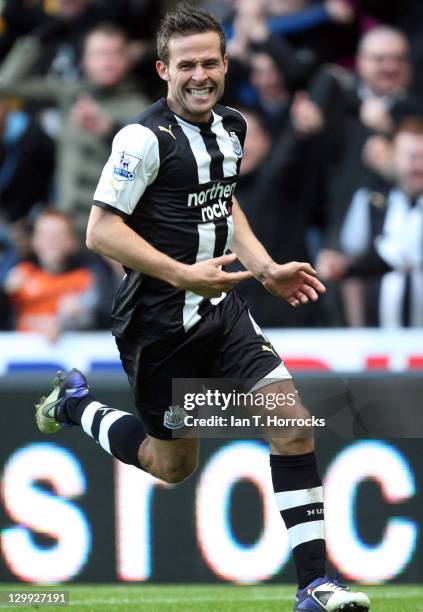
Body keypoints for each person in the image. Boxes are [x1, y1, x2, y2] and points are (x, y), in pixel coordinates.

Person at [35, 5, 370, 611]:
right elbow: (100, 231)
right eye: (185, 64)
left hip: (222, 311)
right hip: (158, 326)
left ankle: (314, 587)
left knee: (292, 427)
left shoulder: (232, 127)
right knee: (172, 466)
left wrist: (264, 268)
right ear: (163, 69)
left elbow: (223, 202)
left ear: (225, 63)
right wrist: (183, 272)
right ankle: (78, 405)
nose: (199, 75)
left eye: (210, 62)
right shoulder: (142, 138)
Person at [317, 117, 423, 327]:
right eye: (411, 157)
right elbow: (353, 262)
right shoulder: (370, 201)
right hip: (379, 335)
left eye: (422, 157)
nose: (417, 165)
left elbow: (397, 254)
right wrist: (357, 332)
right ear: (392, 156)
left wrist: (345, 267)